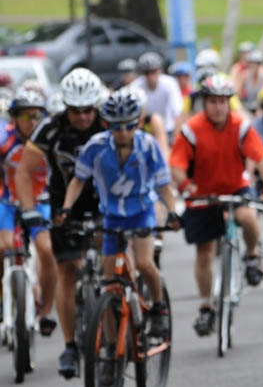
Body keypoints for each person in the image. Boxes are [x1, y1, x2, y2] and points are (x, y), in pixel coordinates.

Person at [60, 90, 180, 352]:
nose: (123, 132)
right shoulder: (95, 147)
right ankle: (112, 348)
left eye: (129, 125)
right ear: (106, 125)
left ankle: (158, 309)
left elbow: (163, 186)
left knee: (145, 263)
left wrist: (171, 212)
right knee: (109, 285)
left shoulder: (149, 146)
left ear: (138, 123)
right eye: (116, 126)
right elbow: (78, 180)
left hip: (142, 212)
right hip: (112, 216)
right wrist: (66, 209)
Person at [169, 73, 263, 337]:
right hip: (203, 194)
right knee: (204, 253)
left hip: (234, 188)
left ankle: (252, 257)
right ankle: (206, 306)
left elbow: (262, 158)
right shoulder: (192, 129)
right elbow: (176, 166)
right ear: (204, 103)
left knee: (249, 217)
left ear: (229, 103)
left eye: (223, 101)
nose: (218, 106)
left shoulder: (241, 126)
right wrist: (185, 187)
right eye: (213, 101)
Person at [16, 68, 106, 379]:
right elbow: (24, 172)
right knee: (67, 270)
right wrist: (28, 209)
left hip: (107, 201)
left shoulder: (109, 121)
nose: (82, 117)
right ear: (65, 107)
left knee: (115, 265)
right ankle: (69, 345)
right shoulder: (51, 128)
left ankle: (120, 318)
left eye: (87, 110)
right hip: (65, 205)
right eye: (75, 111)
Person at [0, 90, 56, 337]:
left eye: (37, 116)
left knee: (46, 249)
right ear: (14, 118)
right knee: (3, 247)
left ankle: (46, 310)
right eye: (25, 116)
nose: (32, 122)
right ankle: (3, 299)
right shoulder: (4, 140)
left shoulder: (49, 139)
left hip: (40, 201)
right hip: (8, 201)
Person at [128, 52, 183, 139]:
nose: (151, 76)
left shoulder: (170, 83)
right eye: (147, 73)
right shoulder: (135, 86)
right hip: (144, 130)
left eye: (153, 72)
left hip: (167, 129)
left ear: (160, 71)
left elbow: (177, 110)